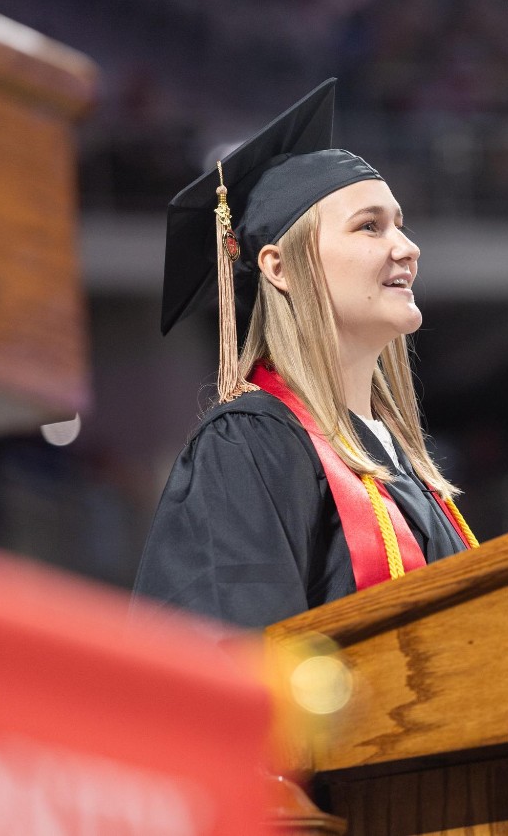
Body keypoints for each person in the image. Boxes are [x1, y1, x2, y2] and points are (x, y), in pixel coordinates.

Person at [132, 80, 477, 629]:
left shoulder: (402, 464)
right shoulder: (250, 446)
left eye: (401, 225)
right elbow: (229, 658)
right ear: (280, 267)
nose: (407, 248)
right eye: (370, 226)